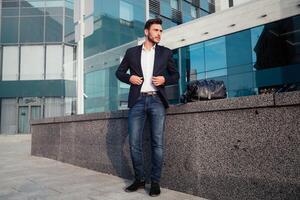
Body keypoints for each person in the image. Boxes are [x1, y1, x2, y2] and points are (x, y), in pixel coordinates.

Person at [115, 18, 179, 197]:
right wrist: (130, 78)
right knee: (134, 143)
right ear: (146, 32)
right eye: (156, 30)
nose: (159, 33)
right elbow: (119, 72)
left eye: (161, 31)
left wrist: (165, 79)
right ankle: (140, 179)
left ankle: (155, 182)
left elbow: (176, 75)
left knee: (157, 143)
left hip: (157, 101)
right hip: (137, 101)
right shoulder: (132, 52)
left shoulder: (165, 53)